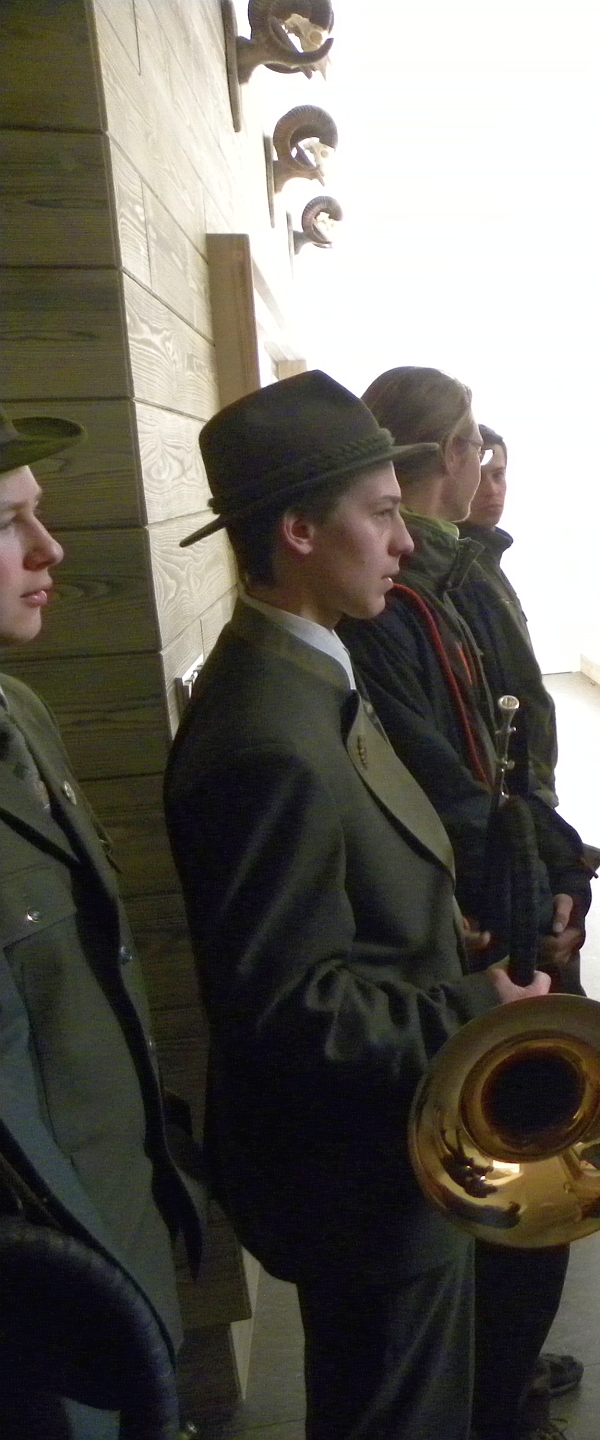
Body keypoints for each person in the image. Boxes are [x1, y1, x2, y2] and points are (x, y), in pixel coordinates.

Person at [165, 371, 551, 1440]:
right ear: (297, 531)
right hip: (360, 1173)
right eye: (380, 514)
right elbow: (291, 1006)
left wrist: (444, 931)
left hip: (390, 1148)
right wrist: (474, 1004)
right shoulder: (264, 734)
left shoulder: (305, 669)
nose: (404, 539)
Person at [340, 370, 589, 1438]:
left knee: (533, 1189)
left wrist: (559, 865)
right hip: (481, 924)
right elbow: (450, 784)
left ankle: (507, 1369)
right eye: (475, 443)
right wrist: (535, 888)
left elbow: (507, 751)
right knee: (515, 1180)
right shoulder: (400, 605)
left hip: (510, 893)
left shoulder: (451, 577)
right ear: (448, 453)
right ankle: (498, 1395)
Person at [0, 408, 200, 1438]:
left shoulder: (21, 713)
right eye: (10, 522)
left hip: (124, 1233)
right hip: (40, 1310)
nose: (51, 549)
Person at [457, 425, 562, 809]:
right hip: (508, 781)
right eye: (480, 476)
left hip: (530, 776)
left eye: (499, 475)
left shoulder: (485, 560)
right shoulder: (456, 571)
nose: (491, 490)